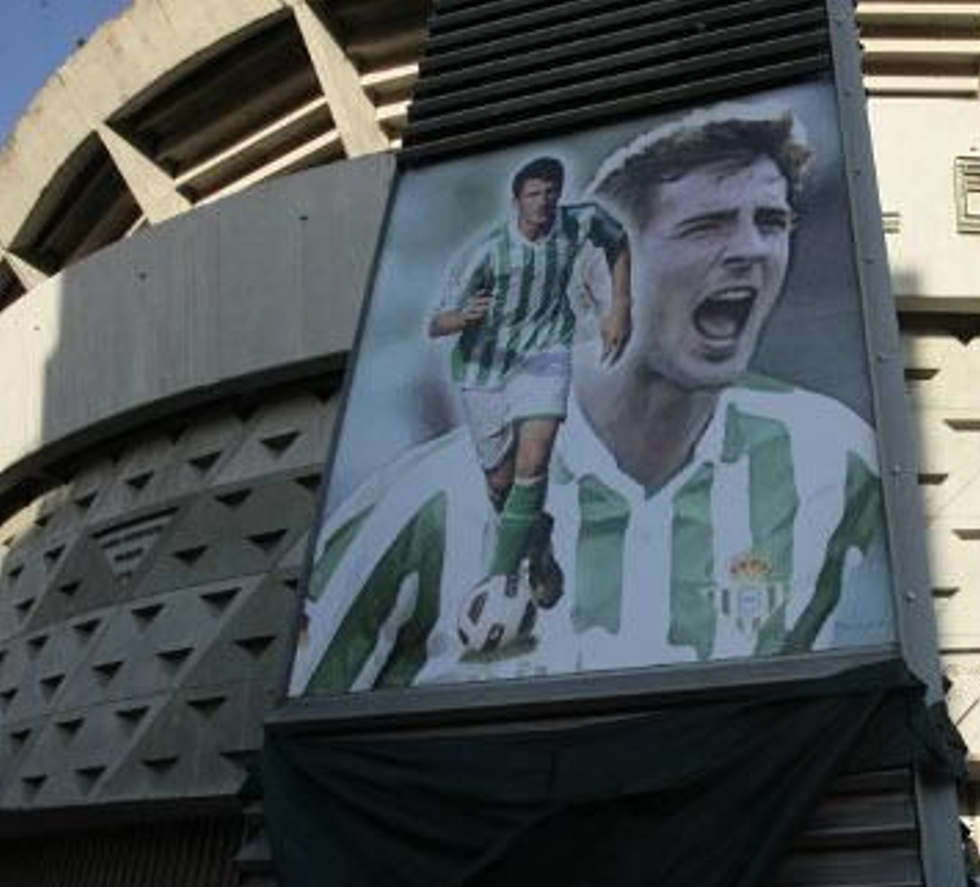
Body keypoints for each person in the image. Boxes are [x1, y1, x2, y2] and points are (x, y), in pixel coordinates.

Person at [291, 104, 894, 693]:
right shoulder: (428, 504)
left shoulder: (834, 462)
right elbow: (305, 744)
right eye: (705, 225)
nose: (752, 250)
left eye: (770, 222)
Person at [428, 157, 631, 625]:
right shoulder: (486, 254)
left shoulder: (578, 221)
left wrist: (620, 305)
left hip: (545, 355)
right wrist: (462, 318)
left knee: (535, 460)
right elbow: (436, 322)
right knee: (501, 483)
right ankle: (538, 546)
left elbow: (617, 241)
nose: (544, 201)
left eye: (551, 191)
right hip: (485, 369)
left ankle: (498, 579)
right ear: (516, 199)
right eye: (535, 193)